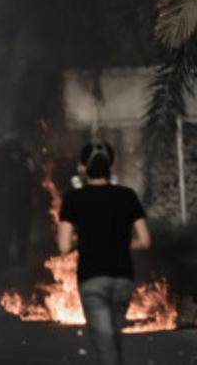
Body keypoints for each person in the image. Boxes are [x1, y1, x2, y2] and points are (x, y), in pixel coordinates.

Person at [57, 142, 151, 365]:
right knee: (114, 337)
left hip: (92, 277)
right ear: (112, 166)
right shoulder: (127, 195)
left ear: (82, 167)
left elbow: (63, 246)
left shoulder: (73, 199)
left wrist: (87, 241)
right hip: (123, 277)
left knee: (105, 342)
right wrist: (119, 244)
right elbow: (145, 240)